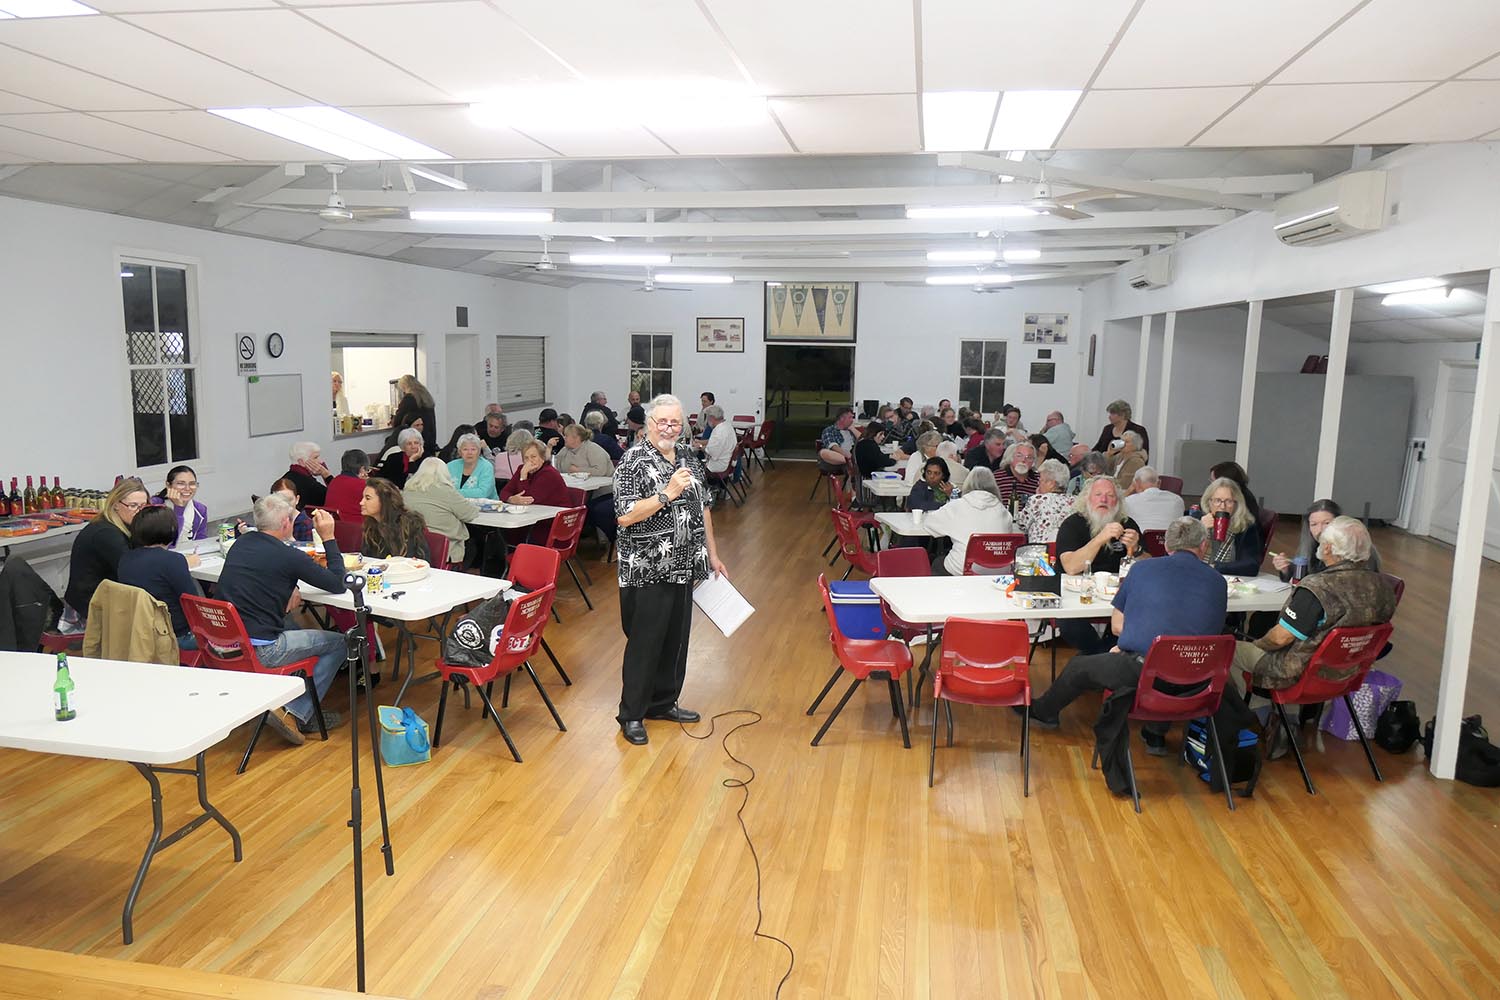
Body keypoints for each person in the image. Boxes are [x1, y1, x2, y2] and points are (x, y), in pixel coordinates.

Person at [1027, 517, 1249, 787]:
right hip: (1200, 682)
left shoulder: (1142, 570)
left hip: (1146, 675)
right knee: (1169, 659)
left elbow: (1118, 627)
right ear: (1203, 546)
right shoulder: (1217, 581)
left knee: (1080, 666)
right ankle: (1155, 732)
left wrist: (1131, 641)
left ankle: (1043, 711)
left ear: (1167, 545)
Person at [613, 393, 727, 745]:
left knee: (675, 640)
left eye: (675, 422)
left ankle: (663, 702)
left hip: (685, 565)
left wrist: (713, 553)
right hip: (647, 569)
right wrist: (667, 493)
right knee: (645, 643)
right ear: (649, 424)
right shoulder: (632, 462)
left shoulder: (688, 458)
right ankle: (632, 714)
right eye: (662, 421)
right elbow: (625, 515)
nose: (668, 428)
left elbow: (704, 507)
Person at [216, 495, 347, 742]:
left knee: (291, 624)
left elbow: (262, 576)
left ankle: (284, 696)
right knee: (344, 642)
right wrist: (328, 537)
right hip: (262, 649)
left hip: (227, 642)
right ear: (286, 523)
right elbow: (338, 583)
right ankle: (298, 712)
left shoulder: (241, 544)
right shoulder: (288, 556)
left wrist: (290, 586)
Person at [1237, 516, 1397, 692]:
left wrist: (1257, 645)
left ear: (1327, 548)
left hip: (1300, 673)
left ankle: (1254, 711)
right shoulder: (1384, 587)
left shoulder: (1317, 587)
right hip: (1349, 671)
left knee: (1227, 650)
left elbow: (1280, 638)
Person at [1055, 477, 1144, 654]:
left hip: (1118, 596)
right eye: (1098, 495)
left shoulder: (1128, 524)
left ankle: (1099, 659)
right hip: (1075, 595)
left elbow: (1147, 567)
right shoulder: (1073, 524)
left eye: (1110, 495)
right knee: (1069, 623)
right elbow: (1071, 567)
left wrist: (1137, 549)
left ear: (1117, 502)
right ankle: (1101, 656)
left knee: (1136, 616)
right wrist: (1101, 538)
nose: (1103, 500)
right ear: (1087, 499)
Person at [59, 477, 151, 633]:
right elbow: (133, 572)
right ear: (115, 505)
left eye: (144, 506)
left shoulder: (119, 525)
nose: (139, 512)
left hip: (99, 601)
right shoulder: (106, 534)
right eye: (133, 506)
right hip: (88, 612)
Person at [118, 504, 203, 650]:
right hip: (175, 635)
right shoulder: (173, 560)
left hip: (139, 632)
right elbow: (193, 603)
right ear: (171, 530)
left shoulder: (126, 558)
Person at [924, 466, 1015, 576]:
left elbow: (929, 524)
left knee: (937, 562)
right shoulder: (1003, 510)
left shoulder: (958, 506)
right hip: (1000, 569)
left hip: (963, 569)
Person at [1273, 499, 1383, 581]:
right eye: (1314, 524)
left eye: (1327, 523)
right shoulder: (1313, 546)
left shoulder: (1356, 548)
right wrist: (1286, 570)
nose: (1320, 530)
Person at [403, 458, 476, 566]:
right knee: (474, 545)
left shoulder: (408, 490)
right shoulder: (446, 491)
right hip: (446, 548)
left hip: (413, 545)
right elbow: (469, 514)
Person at [555, 422, 618, 544]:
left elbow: (600, 470)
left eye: (566, 435)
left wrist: (579, 470)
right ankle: (569, 538)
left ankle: (606, 540)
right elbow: (556, 464)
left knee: (593, 508)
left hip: (604, 490)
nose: (564, 438)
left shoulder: (593, 449)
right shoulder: (565, 450)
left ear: (576, 438)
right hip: (578, 487)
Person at [500, 438, 572, 543]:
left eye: (533, 457)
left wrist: (523, 476)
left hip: (553, 524)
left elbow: (529, 499)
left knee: (510, 534)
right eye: (526, 458)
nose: (529, 461)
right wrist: (511, 499)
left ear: (542, 458)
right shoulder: (522, 469)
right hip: (533, 520)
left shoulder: (549, 473)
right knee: (500, 532)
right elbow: (504, 493)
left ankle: (518, 557)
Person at [1191, 477, 1263, 576]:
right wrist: (1200, 528)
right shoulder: (1196, 519)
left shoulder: (1245, 526)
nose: (1222, 506)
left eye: (1229, 501)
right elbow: (1176, 554)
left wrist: (1215, 567)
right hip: (1194, 575)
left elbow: (1251, 565)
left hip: (1227, 580)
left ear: (1236, 504)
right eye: (1217, 500)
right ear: (1209, 501)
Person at [359, 478, 430, 559]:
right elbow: (366, 558)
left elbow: (412, 561)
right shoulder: (371, 526)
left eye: (368, 498)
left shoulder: (408, 525)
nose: (361, 502)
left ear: (384, 500)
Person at [1016, 459, 1074, 544]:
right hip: (1065, 553)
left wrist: (1038, 496)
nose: (1038, 484)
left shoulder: (1038, 500)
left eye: (1040, 481)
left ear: (1051, 483)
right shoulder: (1074, 501)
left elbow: (1021, 524)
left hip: (1040, 553)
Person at [153, 464, 208, 548]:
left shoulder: (200, 509)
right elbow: (169, 545)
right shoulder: (154, 506)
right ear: (168, 485)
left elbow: (200, 542)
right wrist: (178, 508)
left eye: (192, 484)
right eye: (181, 483)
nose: (187, 488)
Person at [1122, 466, 1185, 531]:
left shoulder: (1129, 501)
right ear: (1159, 483)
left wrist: (1129, 490)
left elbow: (1115, 508)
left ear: (1136, 484)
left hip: (1139, 539)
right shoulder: (1177, 500)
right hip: (1169, 539)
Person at [393, 374, 437, 452]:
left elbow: (397, 421)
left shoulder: (409, 398)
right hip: (430, 437)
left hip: (415, 438)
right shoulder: (426, 396)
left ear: (404, 386)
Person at [324, 448, 370, 522]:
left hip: (333, 526)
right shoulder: (364, 486)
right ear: (362, 469)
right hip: (357, 529)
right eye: (367, 470)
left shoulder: (334, 481)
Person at [448, 433, 498, 501]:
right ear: (459, 452)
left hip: (486, 508)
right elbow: (442, 488)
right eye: (465, 449)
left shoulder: (486, 466)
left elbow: (483, 492)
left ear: (479, 451)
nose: (469, 453)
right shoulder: (450, 466)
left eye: (473, 449)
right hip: (455, 506)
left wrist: (454, 493)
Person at [281, 442, 331, 507]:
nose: (320, 461)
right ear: (301, 462)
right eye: (315, 457)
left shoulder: (284, 479)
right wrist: (326, 474)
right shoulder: (311, 485)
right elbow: (335, 497)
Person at [994, 441, 1040, 510]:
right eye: (1019, 456)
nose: (1023, 460)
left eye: (1029, 457)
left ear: (1033, 462)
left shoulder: (1039, 480)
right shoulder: (996, 478)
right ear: (1011, 458)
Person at [695, 405, 738, 475]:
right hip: (727, 461)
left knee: (691, 465)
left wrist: (699, 446)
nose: (707, 421)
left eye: (707, 417)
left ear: (712, 418)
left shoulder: (719, 431)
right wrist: (700, 442)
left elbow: (711, 452)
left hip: (717, 465)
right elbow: (715, 443)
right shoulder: (727, 425)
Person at [269, 478, 316, 542]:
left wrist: (290, 539)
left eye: (289, 500)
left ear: (297, 499)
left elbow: (309, 550)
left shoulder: (306, 524)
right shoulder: (270, 520)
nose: (285, 504)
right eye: (280, 500)